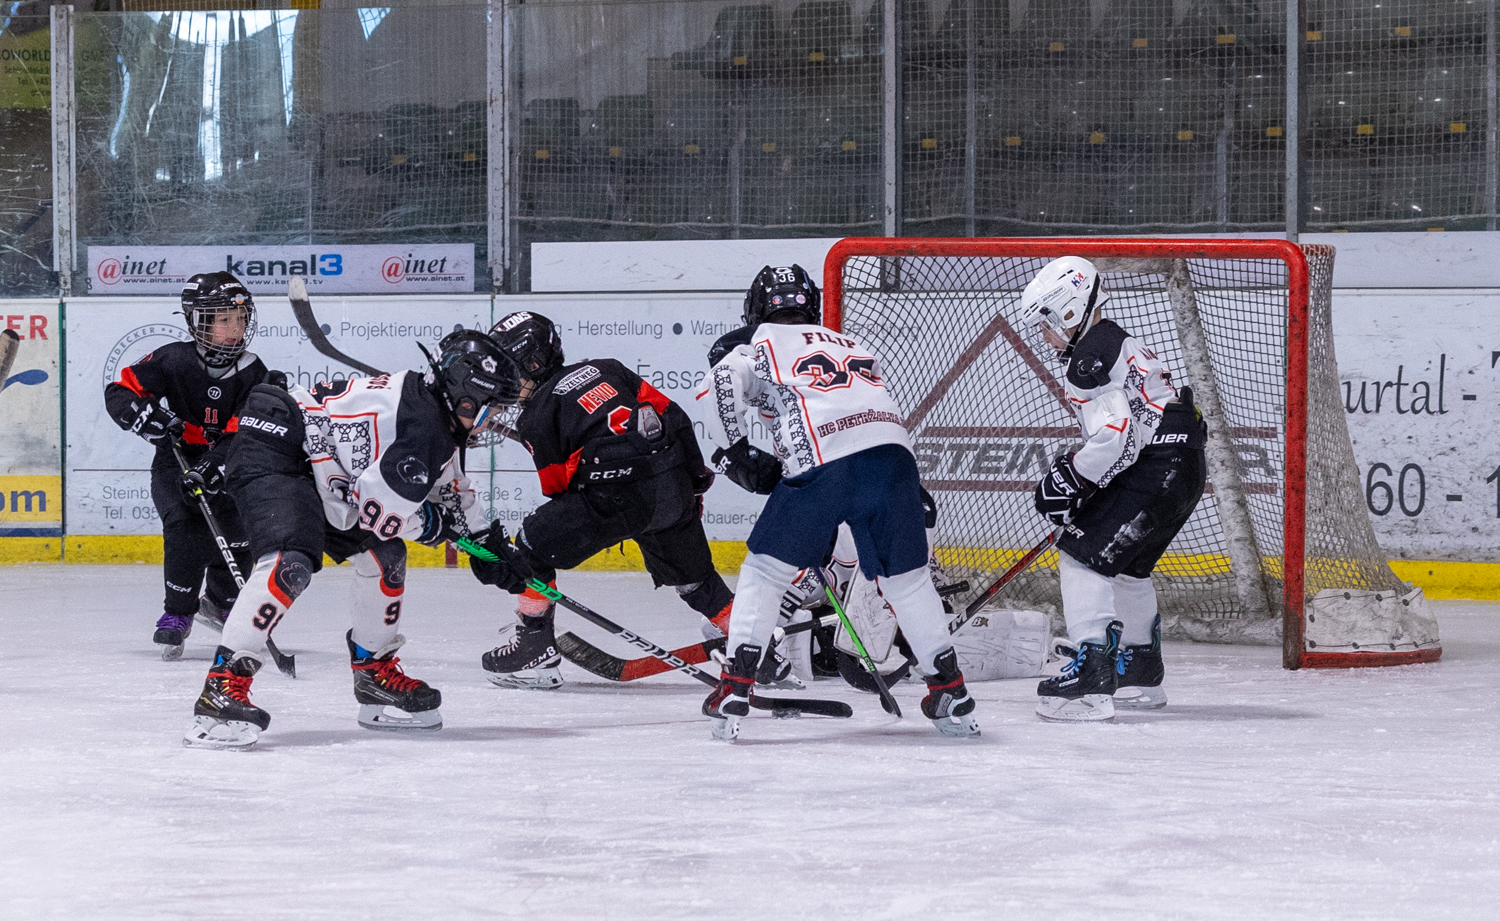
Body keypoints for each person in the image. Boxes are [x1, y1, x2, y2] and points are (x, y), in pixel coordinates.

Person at [182, 328, 516, 750]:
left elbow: (451, 491)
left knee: (385, 557)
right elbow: (380, 510)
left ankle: (374, 674)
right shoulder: (425, 427)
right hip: (278, 444)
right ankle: (222, 687)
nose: (494, 420)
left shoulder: (433, 417)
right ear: (466, 398)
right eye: (491, 408)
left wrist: (491, 543)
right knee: (290, 563)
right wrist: (433, 528)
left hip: (321, 465)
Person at [697, 264, 980, 741]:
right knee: (907, 583)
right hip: (895, 462)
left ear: (755, 310)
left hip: (825, 464)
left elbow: (721, 381)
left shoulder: (758, 342)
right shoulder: (849, 343)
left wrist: (736, 453)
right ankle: (950, 690)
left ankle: (735, 684)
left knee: (765, 571)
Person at [463, 312, 779, 690]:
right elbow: (675, 418)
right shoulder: (607, 368)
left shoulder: (536, 416)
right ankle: (759, 653)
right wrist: (693, 484)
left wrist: (602, 510)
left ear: (533, 363)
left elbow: (558, 489)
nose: (506, 381)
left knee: (531, 543)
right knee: (697, 582)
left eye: (510, 371)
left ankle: (535, 644)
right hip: (673, 485)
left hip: (617, 499)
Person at [1019, 256, 1207, 722]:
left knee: (1079, 555)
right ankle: (1139, 665)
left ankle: (1093, 672)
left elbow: (1115, 434)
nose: (1044, 335)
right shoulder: (1113, 341)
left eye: (1046, 323)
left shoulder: (1087, 359)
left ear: (1068, 310)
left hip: (1158, 467)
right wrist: (1085, 482)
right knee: (1127, 568)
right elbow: (1132, 432)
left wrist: (1073, 477)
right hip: (1183, 466)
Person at [105, 272, 266, 660]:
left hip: (228, 464)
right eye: (224, 320)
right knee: (185, 526)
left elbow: (243, 430)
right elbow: (121, 391)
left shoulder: (253, 370)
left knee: (240, 530)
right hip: (175, 463)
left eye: (240, 318)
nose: (235, 328)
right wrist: (141, 414)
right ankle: (178, 612)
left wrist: (215, 465)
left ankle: (220, 602)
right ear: (199, 322)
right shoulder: (173, 359)